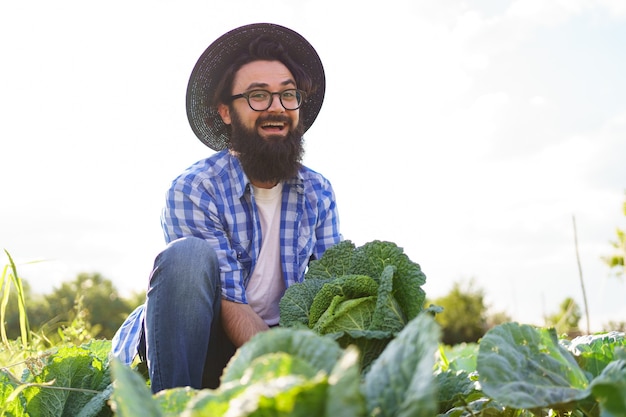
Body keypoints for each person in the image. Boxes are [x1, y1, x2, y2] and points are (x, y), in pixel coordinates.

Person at [111, 23, 341, 393]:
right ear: (226, 111)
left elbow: (332, 288)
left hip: (284, 341)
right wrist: (286, 375)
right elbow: (231, 304)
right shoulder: (195, 189)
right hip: (204, 344)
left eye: (287, 95)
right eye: (257, 96)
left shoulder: (318, 191)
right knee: (185, 257)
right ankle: (172, 404)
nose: (276, 108)